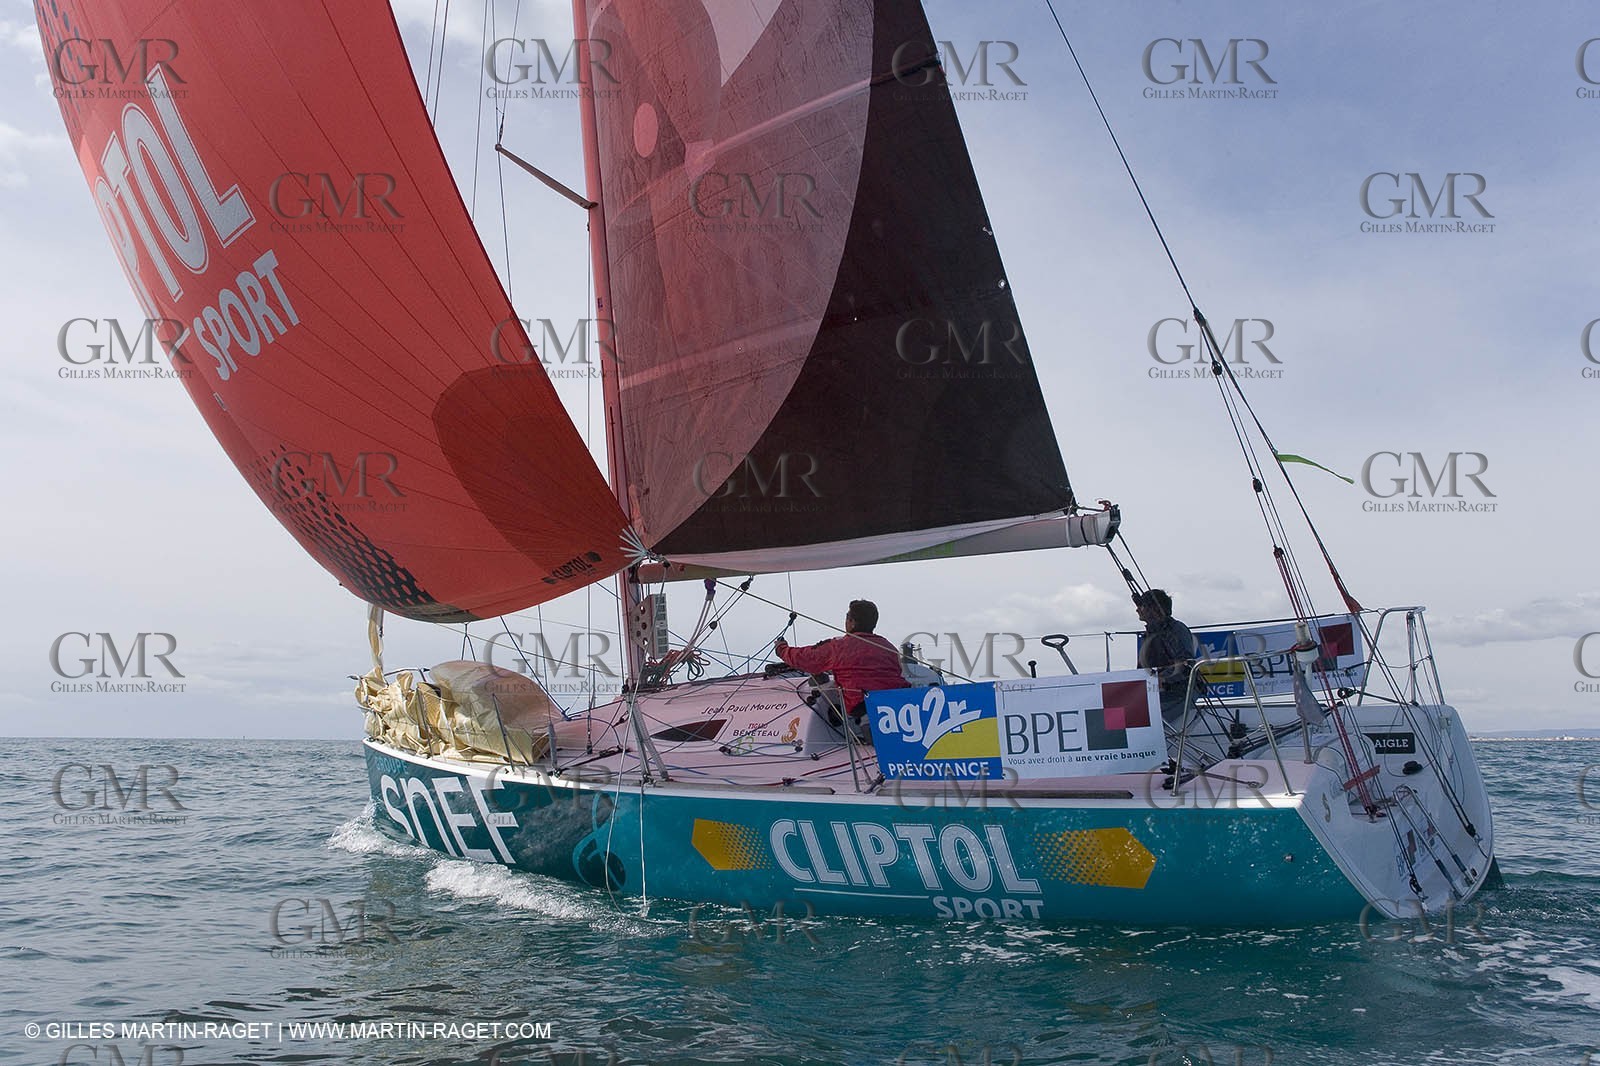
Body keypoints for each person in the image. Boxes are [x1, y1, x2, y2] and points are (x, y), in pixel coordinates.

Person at [775, 600, 908, 735]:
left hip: (870, 714)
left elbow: (806, 658)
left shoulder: (839, 647)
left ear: (852, 622)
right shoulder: (889, 647)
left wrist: (781, 649)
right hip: (903, 709)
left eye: (847, 618)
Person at [1134, 589, 1198, 726]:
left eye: (1141, 606)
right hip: (1158, 693)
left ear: (1155, 609)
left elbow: (1186, 664)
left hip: (1181, 693)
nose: (1137, 610)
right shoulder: (1150, 633)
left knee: (1142, 718)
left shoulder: (1176, 629)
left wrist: (1163, 679)